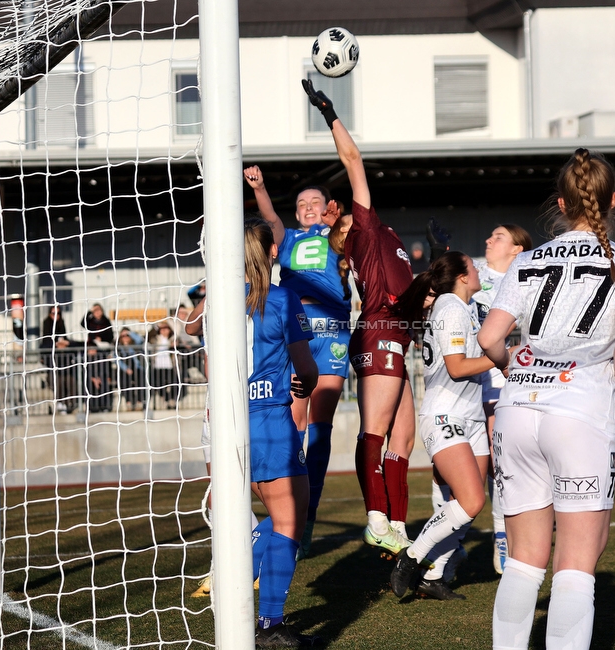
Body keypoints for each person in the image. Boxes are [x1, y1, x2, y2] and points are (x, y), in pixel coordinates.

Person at [478, 148, 615, 650]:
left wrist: (517, 369)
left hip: (517, 408)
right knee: (575, 567)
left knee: (524, 562)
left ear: (561, 202)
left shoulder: (528, 259)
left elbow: (490, 339)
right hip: (579, 412)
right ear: (613, 200)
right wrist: (606, 378)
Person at [303, 79, 416, 557]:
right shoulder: (364, 229)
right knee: (376, 429)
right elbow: (354, 161)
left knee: (404, 437)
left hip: (395, 334)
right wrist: (329, 113)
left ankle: (396, 522)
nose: (346, 210)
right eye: (342, 216)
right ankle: (376, 520)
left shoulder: (371, 234)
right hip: (379, 333)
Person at [244, 165, 352, 558]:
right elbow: (269, 218)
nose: (308, 208)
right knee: (295, 422)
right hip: (298, 329)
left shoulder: (338, 234)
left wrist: (339, 222)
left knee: (321, 425)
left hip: (334, 330)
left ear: (327, 208)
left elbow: (352, 233)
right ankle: (287, 511)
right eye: (302, 203)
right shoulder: (286, 238)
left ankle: (306, 518)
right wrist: (260, 187)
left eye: (315, 202)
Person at [387, 251, 497, 600]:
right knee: (471, 500)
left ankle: (432, 576)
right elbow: (457, 366)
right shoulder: (450, 306)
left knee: (465, 505)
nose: (479, 269)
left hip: (471, 417)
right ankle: (414, 555)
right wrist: (501, 358)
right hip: (445, 415)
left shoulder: (461, 307)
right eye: (473, 266)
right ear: (463, 276)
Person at [242, 219, 320, 645]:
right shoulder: (282, 297)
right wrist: (303, 385)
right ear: (273, 253)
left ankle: (236, 586)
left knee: (282, 512)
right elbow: (306, 368)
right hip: (271, 417)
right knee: (289, 521)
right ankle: (269, 624)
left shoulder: (222, 300)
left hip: (235, 419)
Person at [469, 224, 532, 576]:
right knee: (459, 468)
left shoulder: (528, 279)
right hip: (463, 381)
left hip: (502, 382)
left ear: (517, 249)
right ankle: (447, 549)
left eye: (499, 237)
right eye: (490, 235)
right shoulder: (472, 275)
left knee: (500, 462)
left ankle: (502, 535)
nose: (489, 240)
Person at [40, 306, 79, 414]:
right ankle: (61, 403)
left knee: (71, 381)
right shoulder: (47, 327)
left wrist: (67, 343)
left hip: (65, 365)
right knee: (58, 381)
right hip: (54, 365)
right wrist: (57, 344)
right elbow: (45, 344)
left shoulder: (62, 325)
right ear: (49, 314)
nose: (56, 316)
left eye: (58, 313)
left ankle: (69, 404)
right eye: (53, 313)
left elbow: (68, 341)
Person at [82, 304, 114, 412]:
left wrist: (101, 338)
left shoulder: (106, 321)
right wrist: (89, 312)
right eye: (95, 311)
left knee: (104, 379)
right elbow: (82, 323)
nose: (97, 312)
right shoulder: (90, 321)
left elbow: (110, 336)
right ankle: (92, 406)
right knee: (90, 380)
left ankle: (105, 405)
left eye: (98, 310)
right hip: (92, 352)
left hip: (103, 352)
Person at [146, 321, 178, 408]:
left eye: (166, 328)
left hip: (169, 365)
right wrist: (156, 326)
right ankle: (167, 400)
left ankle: (171, 399)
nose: (164, 330)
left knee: (175, 383)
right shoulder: (155, 339)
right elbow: (147, 337)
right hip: (158, 365)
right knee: (158, 384)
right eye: (162, 329)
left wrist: (174, 346)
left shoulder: (173, 339)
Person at [115, 328, 144, 411]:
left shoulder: (135, 345)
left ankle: (139, 402)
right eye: (123, 335)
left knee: (140, 381)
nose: (125, 337)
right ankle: (129, 402)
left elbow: (140, 339)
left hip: (137, 368)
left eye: (127, 335)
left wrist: (130, 333)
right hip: (124, 370)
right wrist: (126, 368)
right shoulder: (118, 347)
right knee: (125, 382)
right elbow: (116, 359)